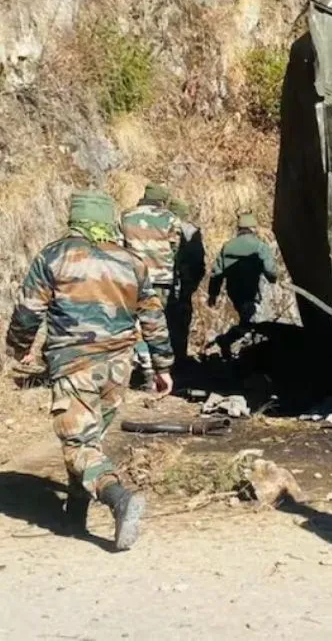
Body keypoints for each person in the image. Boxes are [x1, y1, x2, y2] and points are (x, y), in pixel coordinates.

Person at [5, 190, 173, 550]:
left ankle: (118, 498)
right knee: (90, 439)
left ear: (74, 218)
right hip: (119, 367)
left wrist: (19, 349)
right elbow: (153, 317)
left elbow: (28, 311)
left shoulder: (55, 255)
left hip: (75, 363)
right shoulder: (132, 261)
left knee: (78, 444)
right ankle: (74, 515)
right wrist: (162, 365)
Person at [121, 184, 183, 383]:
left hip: (132, 278)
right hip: (161, 279)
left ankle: (142, 365)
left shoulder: (126, 216)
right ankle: (158, 369)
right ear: (162, 200)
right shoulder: (170, 218)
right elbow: (176, 248)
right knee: (157, 323)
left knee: (134, 323)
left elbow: (118, 246)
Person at [207, 212, 278, 357]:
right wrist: (273, 280)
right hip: (253, 291)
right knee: (256, 323)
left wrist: (213, 294)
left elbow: (217, 273)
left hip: (234, 292)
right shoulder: (260, 246)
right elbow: (270, 270)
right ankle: (242, 348)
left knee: (247, 320)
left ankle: (238, 346)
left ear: (239, 228)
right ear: (253, 228)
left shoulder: (227, 246)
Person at [167, 198, 205, 368]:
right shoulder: (193, 232)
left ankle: (160, 358)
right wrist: (191, 285)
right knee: (182, 321)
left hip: (161, 283)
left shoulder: (161, 226)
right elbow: (199, 262)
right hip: (184, 283)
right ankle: (179, 357)